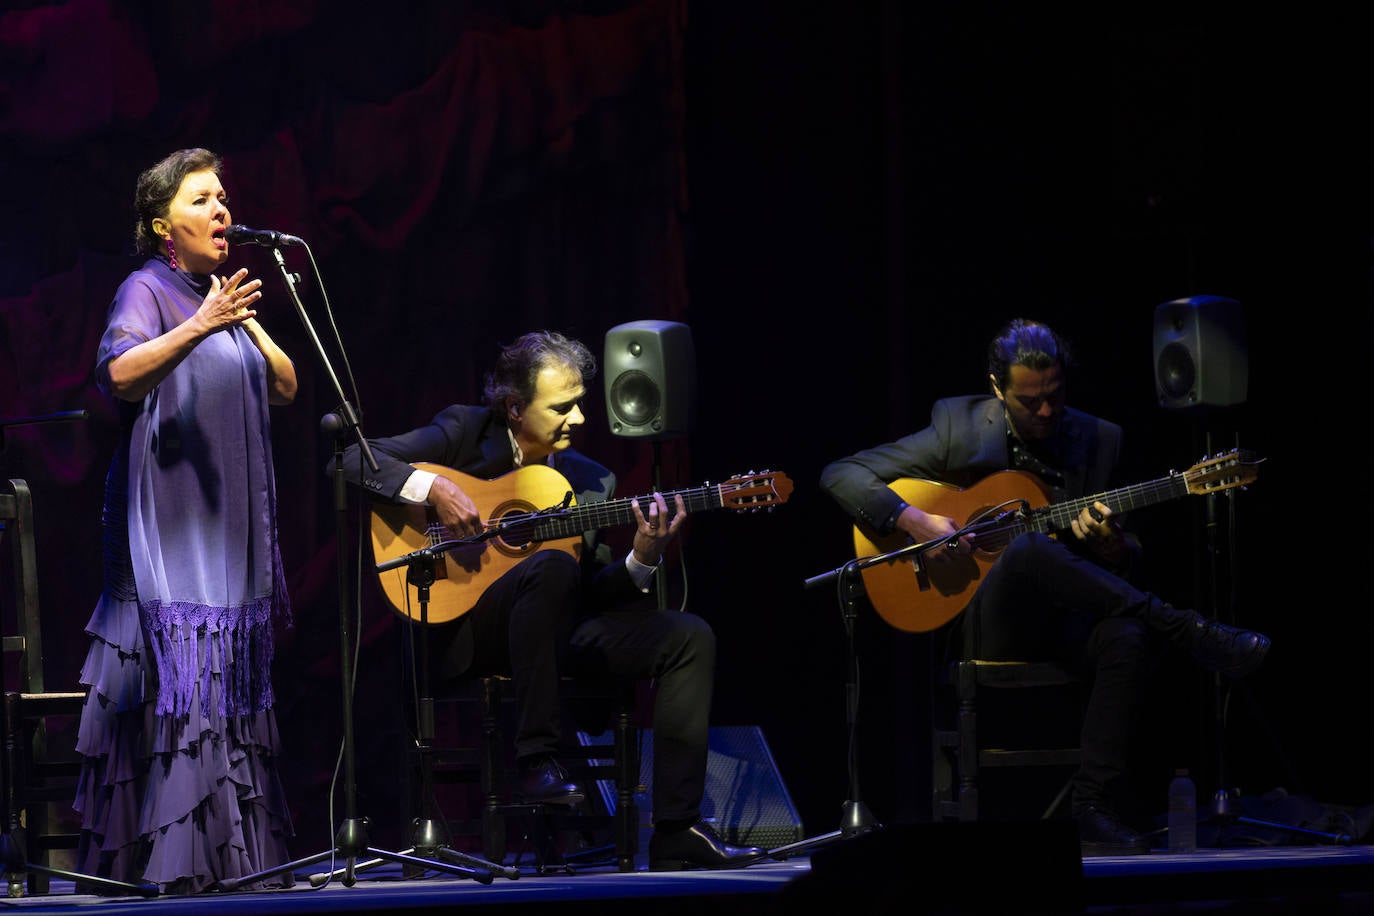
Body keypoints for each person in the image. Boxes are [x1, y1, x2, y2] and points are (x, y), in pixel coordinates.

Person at [818, 317, 1271, 855]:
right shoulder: (957, 426)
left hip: (1062, 621)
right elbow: (840, 473)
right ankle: (1187, 628)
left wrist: (1114, 549)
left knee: (1126, 637)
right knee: (1027, 547)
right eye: (1029, 402)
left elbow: (1123, 559)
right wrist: (916, 521)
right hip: (984, 623)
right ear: (997, 389)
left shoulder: (1100, 440)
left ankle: (1091, 806)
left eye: (1055, 396)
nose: (1047, 412)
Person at [335, 329, 763, 871]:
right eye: (563, 406)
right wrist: (431, 489)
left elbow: (593, 591)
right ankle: (536, 757)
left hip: (555, 629)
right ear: (514, 408)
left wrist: (643, 558)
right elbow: (348, 459)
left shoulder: (591, 480)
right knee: (553, 564)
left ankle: (676, 831)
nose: (579, 419)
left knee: (688, 636)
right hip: (468, 630)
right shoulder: (465, 430)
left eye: (581, 403)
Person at [74, 148, 297, 892]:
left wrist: (245, 326)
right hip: (163, 528)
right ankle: (167, 866)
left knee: (224, 675)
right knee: (179, 674)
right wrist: (201, 322)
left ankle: (231, 861)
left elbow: (288, 389)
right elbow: (119, 375)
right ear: (161, 223)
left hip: (223, 526)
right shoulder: (147, 289)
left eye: (224, 197)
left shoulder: (219, 302)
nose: (223, 210)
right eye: (203, 199)